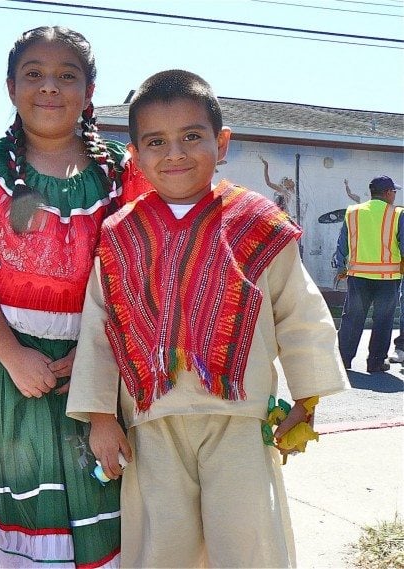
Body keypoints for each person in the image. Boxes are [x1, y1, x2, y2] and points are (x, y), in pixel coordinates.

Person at [66, 70, 349, 568]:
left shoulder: (258, 223)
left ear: (221, 143)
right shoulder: (120, 234)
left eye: (191, 137)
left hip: (240, 420)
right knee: (161, 547)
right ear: (134, 154)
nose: (174, 153)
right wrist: (101, 417)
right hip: (152, 424)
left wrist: (306, 400)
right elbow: (99, 331)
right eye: (156, 142)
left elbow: (299, 315)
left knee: (248, 544)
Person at [0, 26, 147, 568]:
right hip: (0, 374)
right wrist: (13, 356)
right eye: (34, 75)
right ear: (10, 87)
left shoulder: (123, 173)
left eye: (66, 76)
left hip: (96, 364)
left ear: (90, 90)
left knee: (99, 505)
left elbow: (135, 281)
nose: (50, 88)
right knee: (13, 518)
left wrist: (102, 365)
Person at [333, 175, 404, 372]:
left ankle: (343, 360)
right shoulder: (397, 214)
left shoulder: (353, 212)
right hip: (388, 279)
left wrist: (340, 267)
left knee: (352, 319)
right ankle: (375, 363)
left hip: (358, 276)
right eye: (394, 192)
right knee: (383, 321)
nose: (395, 195)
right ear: (388, 193)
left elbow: (342, 243)